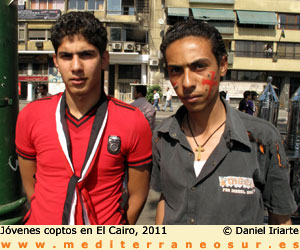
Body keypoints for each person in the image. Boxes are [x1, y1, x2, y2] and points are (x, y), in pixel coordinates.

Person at [151, 19, 296, 225]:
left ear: (223, 65)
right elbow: (166, 199)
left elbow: (281, 222)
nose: (187, 83)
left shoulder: (262, 139)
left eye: (199, 66)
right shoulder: (162, 137)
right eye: (176, 70)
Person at [15, 12, 152, 225]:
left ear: (104, 59)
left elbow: (137, 195)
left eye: (86, 55)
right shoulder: (30, 116)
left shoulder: (133, 121)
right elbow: (31, 187)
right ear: (56, 61)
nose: (76, 67)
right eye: (66, 56)